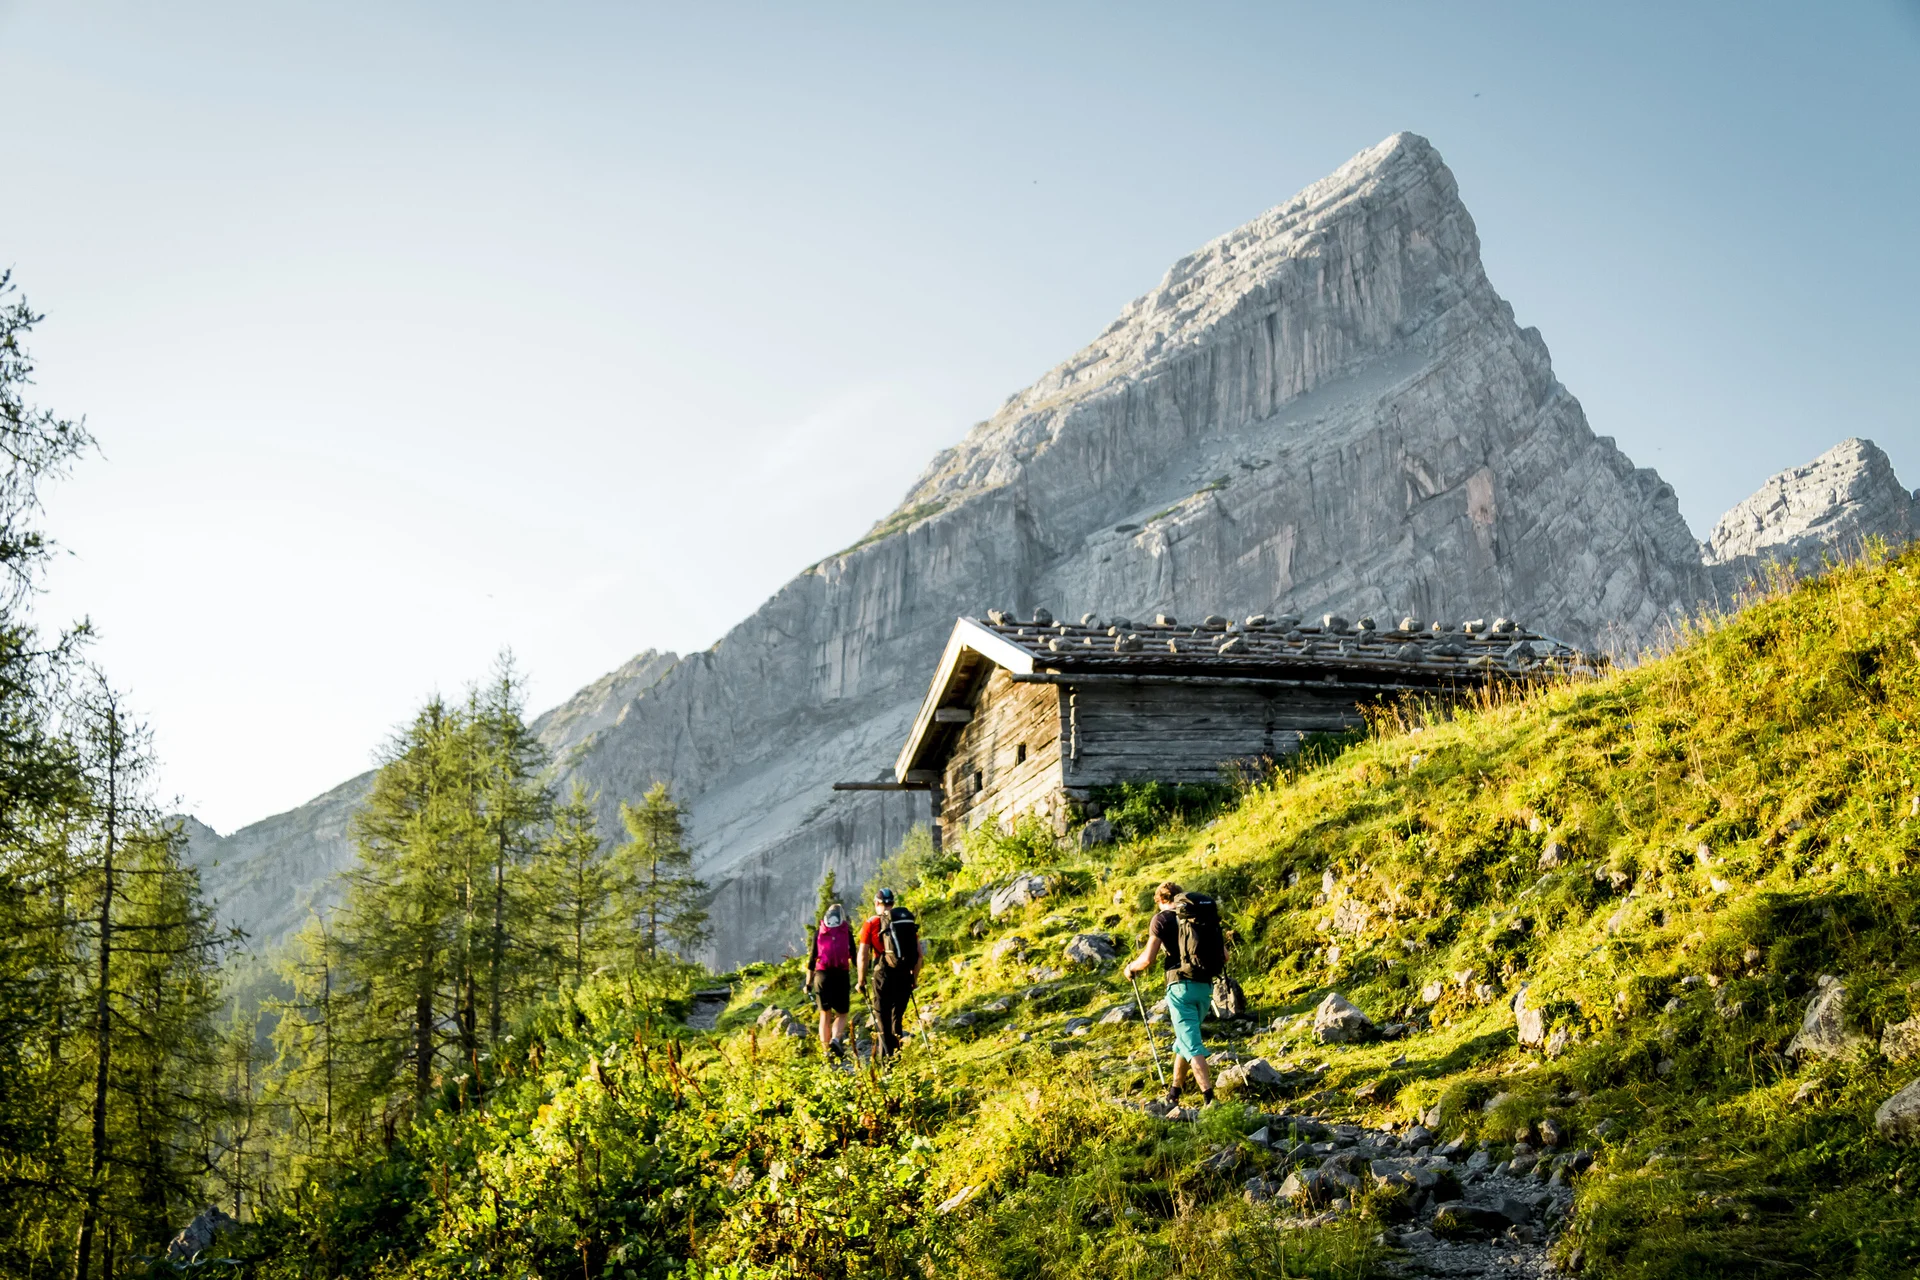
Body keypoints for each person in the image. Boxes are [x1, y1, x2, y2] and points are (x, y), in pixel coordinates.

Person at [1123, 880, 1218, 1108]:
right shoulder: (1199, 915)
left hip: (1179, 987)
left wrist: (1130, 968)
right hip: (1205, 986)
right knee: (1185, 1039)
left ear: (1160, 900)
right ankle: (1174, 1093)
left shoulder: (1161, 920)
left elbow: (1148, 959)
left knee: (1192, 1045)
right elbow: (1224, 955)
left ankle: (1210, 1099)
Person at [856, 887, 923, 1059]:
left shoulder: (871, 923)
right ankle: (898, 1057)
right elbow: (919, 955)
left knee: (882, 1019)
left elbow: (863, 955)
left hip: (882, 975)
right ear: (892, 903)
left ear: (876, 903)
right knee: (896, 1018)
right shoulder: (904, 921)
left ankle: (887, 1062)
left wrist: (861, 980)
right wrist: (914, 979)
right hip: (904, 975)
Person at [806, 901, 854, 1059]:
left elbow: (812, 959)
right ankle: (835, 1039)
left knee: (824, 1015)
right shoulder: (846, 932)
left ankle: (826, 1051)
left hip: (822, 976)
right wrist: (862, 975)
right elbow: (854, 955)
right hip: (841, 975)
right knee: (842, 1013)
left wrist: (808, 983)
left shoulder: (819, 932)